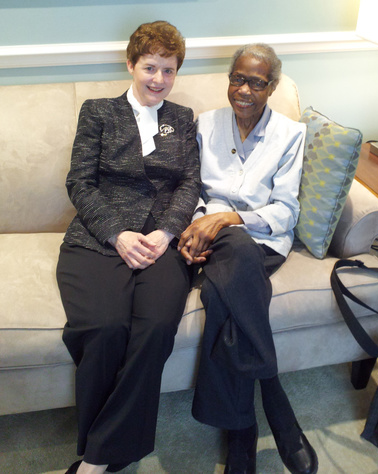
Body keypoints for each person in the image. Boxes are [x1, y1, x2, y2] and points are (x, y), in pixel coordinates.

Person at [56, 21, 201, 474]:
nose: (159, 79)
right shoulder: (97, 111)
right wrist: (117, 233)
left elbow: (189, 182)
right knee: (103, 326)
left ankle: (98, 457)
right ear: (131, 64)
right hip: (101, 239)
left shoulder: (181, 118)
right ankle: (115, 447)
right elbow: (79, 181)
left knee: (156, 328)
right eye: (150, 67)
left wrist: (168, 231)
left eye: (169, 70)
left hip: (161, 242)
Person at [178, 43, 318, 474]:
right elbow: (192, 190)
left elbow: (285, 210)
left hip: (258, 237)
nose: (243, 89)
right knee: (232, 259)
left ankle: (242, 430)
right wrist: (203, 221)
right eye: (236, 78)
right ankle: (276, 406)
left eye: (255, 82)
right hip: (214, 239)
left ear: (271, 87)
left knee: (223, 296)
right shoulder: (205, 124)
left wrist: (228, 219)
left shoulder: (291, 134)